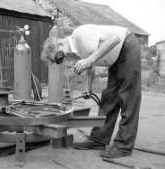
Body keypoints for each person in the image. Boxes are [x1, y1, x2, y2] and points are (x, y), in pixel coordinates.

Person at [41, 24, 141, 158]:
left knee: (129, 98)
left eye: (59, 56)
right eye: (60, 60)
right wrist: (88, 87)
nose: (63, 59)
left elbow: (115, 39)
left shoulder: (80, 34)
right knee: (108, 98)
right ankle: (98, 139)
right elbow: (90, 66)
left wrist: (89, 60)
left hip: (127, 46)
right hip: (115, 58)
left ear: (58, 45)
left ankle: (123, 146)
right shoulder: (77, 49)